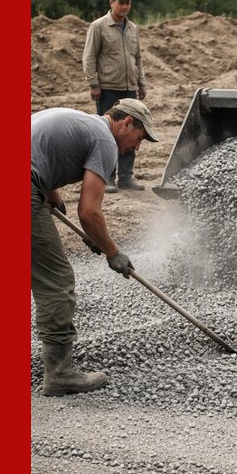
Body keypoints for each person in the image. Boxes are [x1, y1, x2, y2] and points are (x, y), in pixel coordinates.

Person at [31, 99, 159, 397]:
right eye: (139, 138)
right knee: (56, 280)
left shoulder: (78, 120)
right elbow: (89, 213)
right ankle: (60, 374)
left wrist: (50, 190)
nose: (137, 148)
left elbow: (39, 148)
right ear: (126, 123)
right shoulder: (105, 142)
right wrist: (113, 252)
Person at [82, 0, 147, 193]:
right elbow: (89, 57)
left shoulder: (133, 28)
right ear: (112, 3)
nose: (125, 6)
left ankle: (126, 177)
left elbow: (137, 58)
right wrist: (94, 84)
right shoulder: (98, 26)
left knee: (132, 131)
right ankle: (108, 177)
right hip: (108, 88)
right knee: (109, 133)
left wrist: (141, 83)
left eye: (128, 3)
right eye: (121, 2)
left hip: (129, 88)